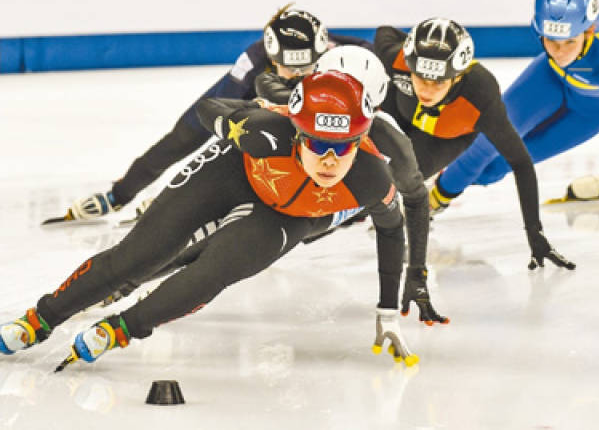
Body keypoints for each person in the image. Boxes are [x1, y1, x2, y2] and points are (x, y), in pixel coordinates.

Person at [0, 71, 419, 368]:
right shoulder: (267, 132)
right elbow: (207, 108)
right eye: (318, 143)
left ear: (360, 141)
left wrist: (386, 312)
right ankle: (40, 318)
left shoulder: (370, 177)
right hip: (232, 173)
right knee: (140, 255)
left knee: (216, 269)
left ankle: (121, 328)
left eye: (342, 147)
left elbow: (392, 230)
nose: (329, 159)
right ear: (297, 131)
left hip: (288, 217)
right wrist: (234, 126)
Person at [52, 4, 371, 223]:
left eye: (305, 67)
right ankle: (118, 195)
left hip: (294, 111)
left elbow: (368, 52)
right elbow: (224, 119)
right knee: (183, 139)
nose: (295, 73)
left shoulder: (335, 51)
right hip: (241, 100)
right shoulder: (253, 59)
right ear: (272, 55)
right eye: (287, 67)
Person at [256, 45, 447, 325]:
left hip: (328, 206)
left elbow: (416, 199)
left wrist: (417, 272)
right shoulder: (298, 106)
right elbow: (264, 84)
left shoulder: (390, 140)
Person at [374, 17, 574, 270]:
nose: (427, 90)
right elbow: (384, 32)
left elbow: (521, 162)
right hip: (401, 112)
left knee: (396, 179)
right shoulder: (398, 58)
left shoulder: (481, 95)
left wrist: (535, 233)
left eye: (438, 82)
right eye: (421, 78)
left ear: (457, 77)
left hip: (446, 136)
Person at [430, 0, 599, 210]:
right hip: (549, 78)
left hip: (594, 110)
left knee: (496, 168)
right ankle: (430, 196)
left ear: (590, 30)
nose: (559, 52)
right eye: (551, 40)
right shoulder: (563, 47)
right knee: (487, 142)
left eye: (570, 42)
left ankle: (438, 187)